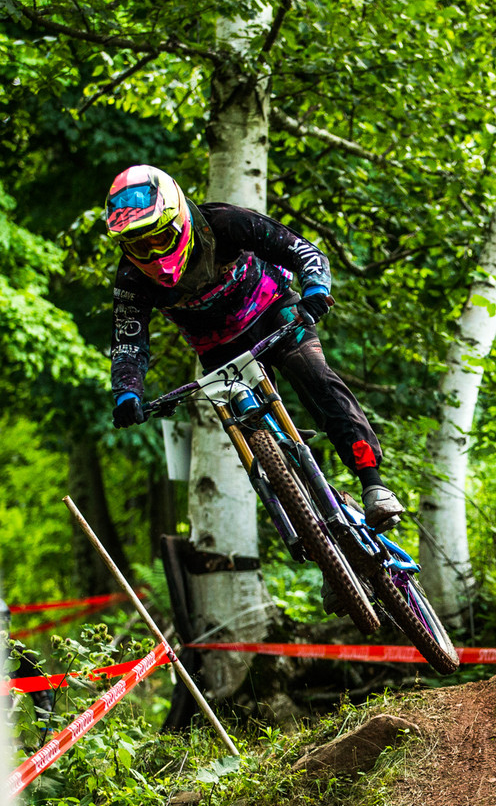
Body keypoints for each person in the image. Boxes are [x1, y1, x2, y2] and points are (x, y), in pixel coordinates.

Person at [103, 164, 403, 532]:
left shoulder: (225, 223)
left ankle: (373, 484)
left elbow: (301, 250)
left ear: (179, 220)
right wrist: (127, 392)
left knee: (314, 376)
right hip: (218, 350)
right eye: (137, 245)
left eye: (159, 238)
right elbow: (128, 339)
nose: (151, 253)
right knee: (246, 439)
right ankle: (324, 536)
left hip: (275, 313)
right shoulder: (132, 279)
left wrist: (316, 288)